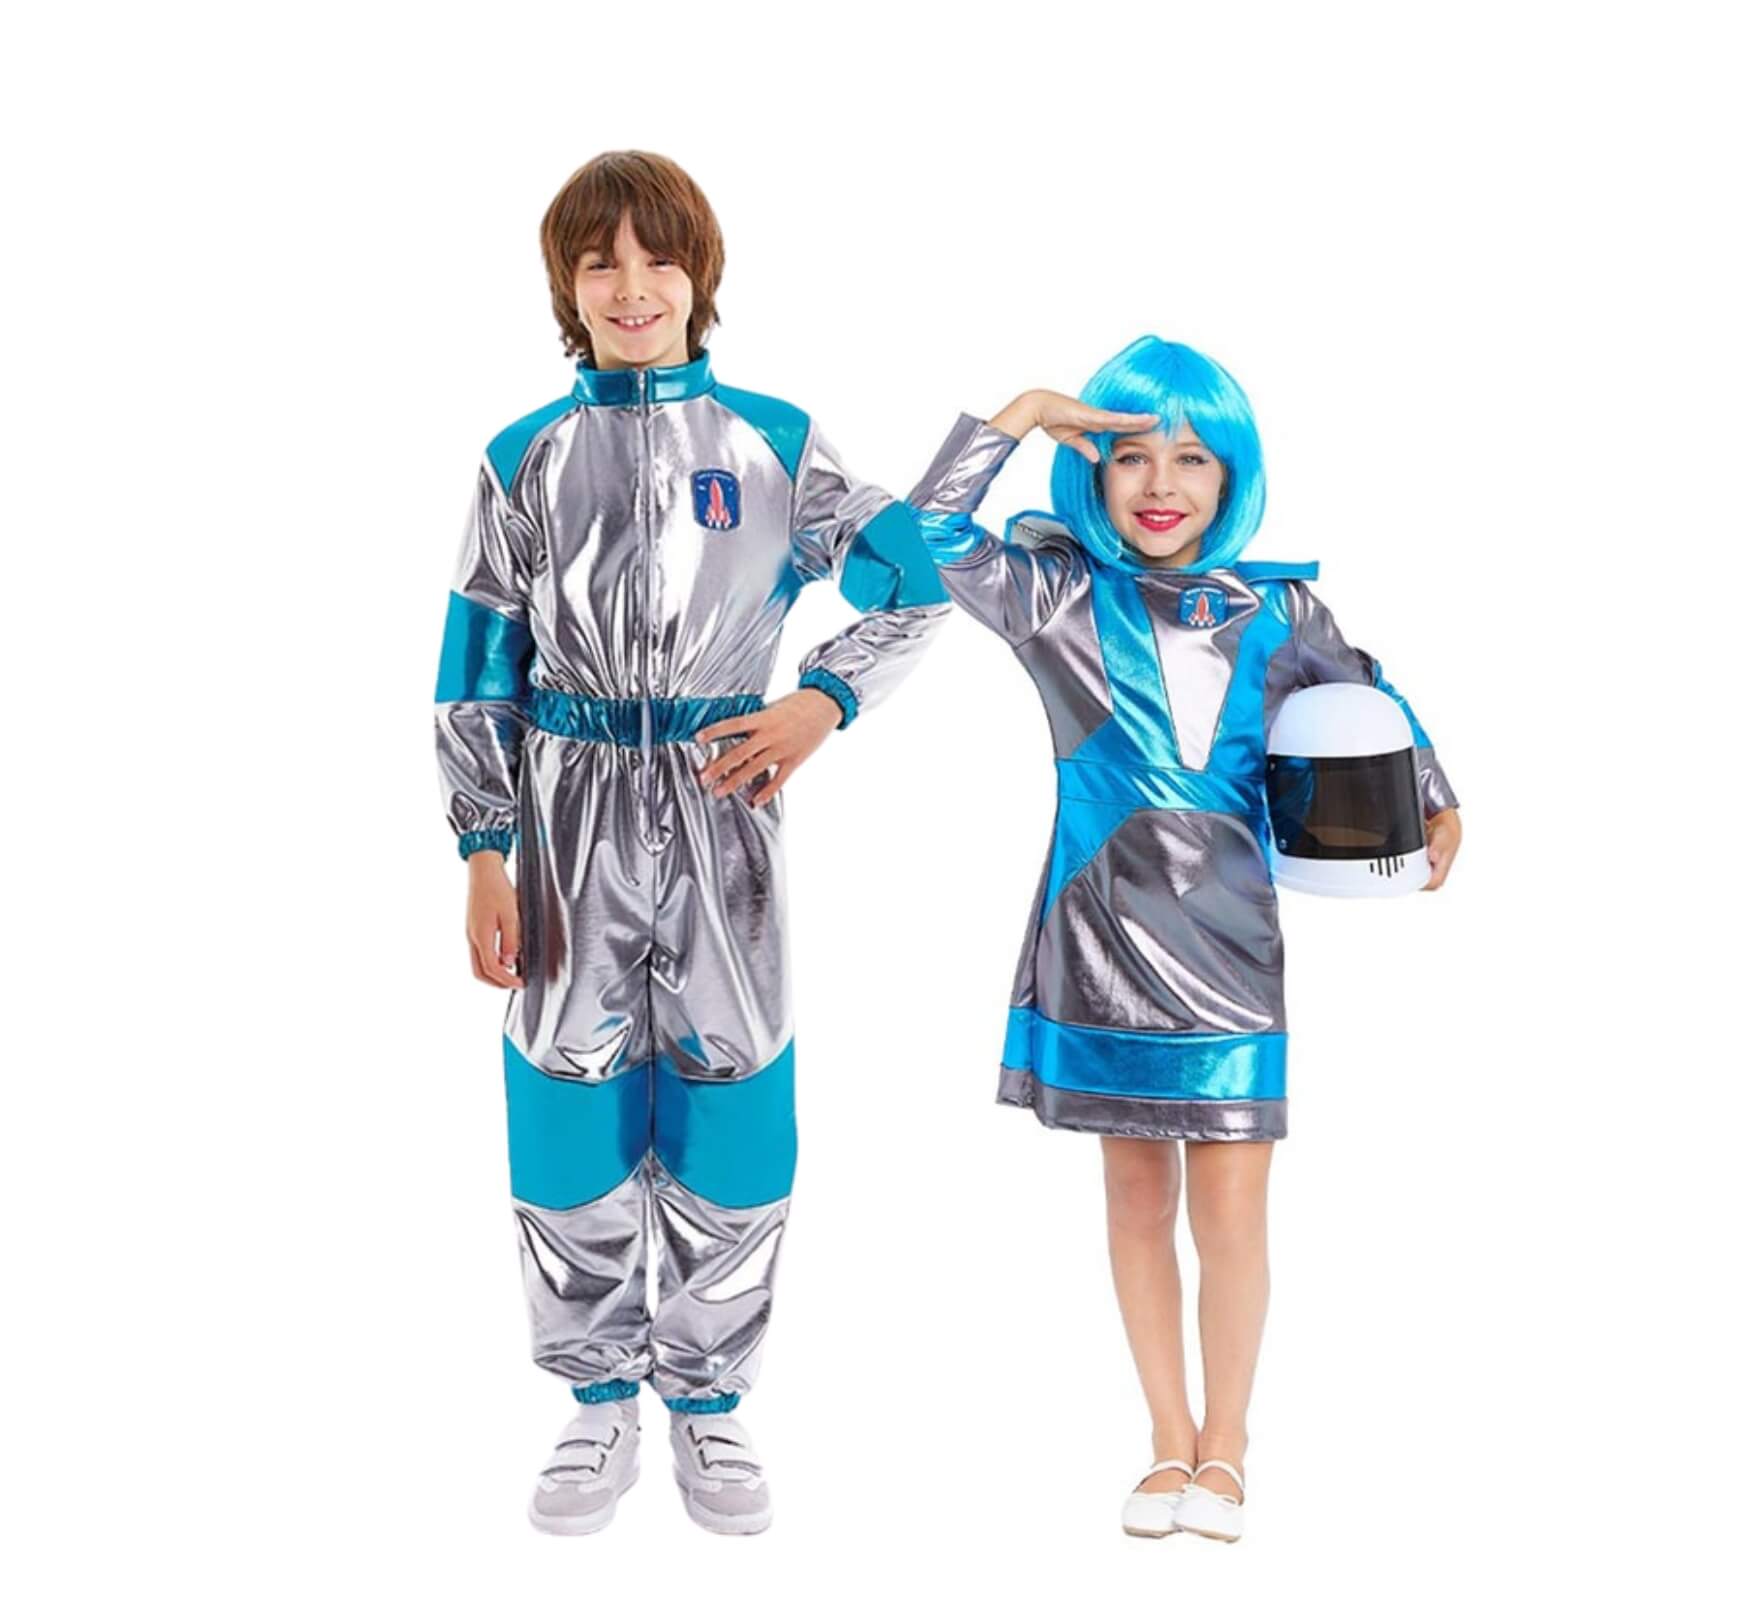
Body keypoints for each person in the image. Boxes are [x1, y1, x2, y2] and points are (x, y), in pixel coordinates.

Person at [432, 150, 948, 1536]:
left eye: (656, 257)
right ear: (566, 286)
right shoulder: (521, 457)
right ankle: (597, 1394)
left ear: (698, 274)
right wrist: (483, 845)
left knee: (733, 1089)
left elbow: (917, 570)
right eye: (598, 261)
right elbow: (477, 666)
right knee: (567, 1092)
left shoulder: (773, 442)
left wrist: (824, 700)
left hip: (725, 808)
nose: (631, 286)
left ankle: (709, 1397)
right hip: (568, 813)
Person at [904, 337, 1462, 1542]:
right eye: (1130, 456)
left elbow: (1368, 694)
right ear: (1093, 473)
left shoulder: (1280, 608)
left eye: (1192, 457)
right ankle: (1167, 1439)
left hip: (1231, 943)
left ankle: (1229, 1445)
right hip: (1099, 936)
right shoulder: (1056, 596)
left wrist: (1435, 794)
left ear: (1230, 475)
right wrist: (1019, 412)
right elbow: (924, 538)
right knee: (1132, 1194)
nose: (1160, 482)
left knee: (1232, 1204)